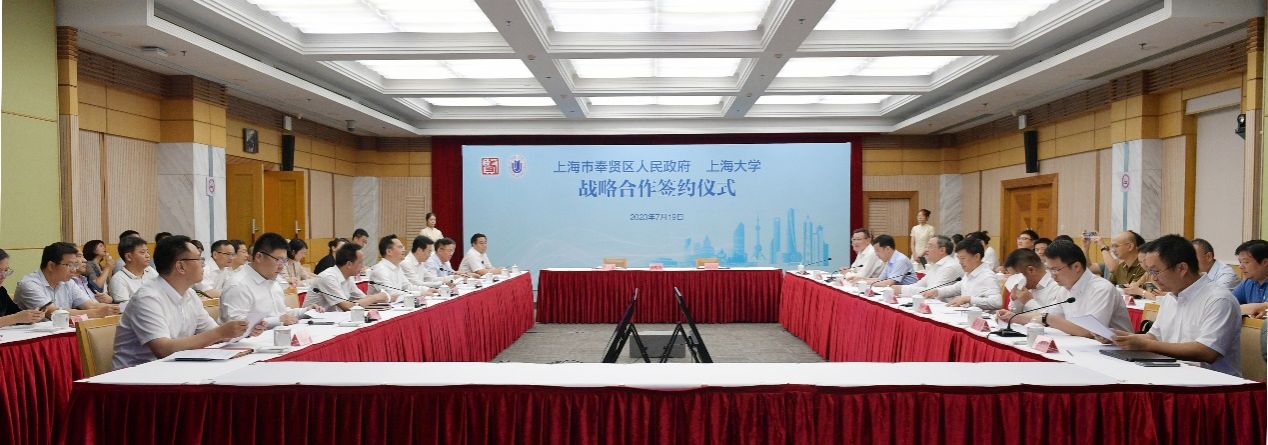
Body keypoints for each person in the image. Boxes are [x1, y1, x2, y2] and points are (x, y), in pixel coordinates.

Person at [111, 235, 262, 370]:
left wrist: (244, 329)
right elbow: (163, 349)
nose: (203, 264)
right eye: (199, 259)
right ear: (181, 266)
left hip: (174, 368)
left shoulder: (189, 293)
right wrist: (219, 333)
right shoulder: (148, 298)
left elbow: (213, 332)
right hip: (135, 377)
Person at [1111, 235, 1242, 376]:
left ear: (1181, 268)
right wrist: (1120, 338)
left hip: (1211, 382)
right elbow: (1154, 337)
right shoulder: (1170, 297)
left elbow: (1207, 351)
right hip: (1171, 372)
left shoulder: (1219, 299)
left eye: (1156, 271)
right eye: (1149, 272)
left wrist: (1147, 345)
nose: (1153, 278)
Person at [1003, 241, 1131, 337]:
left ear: (1076, 267)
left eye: (1055, 270)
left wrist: (1047, 318)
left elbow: (1091, 332)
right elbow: (1047, 314)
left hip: (1120, 354)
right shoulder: (1065, 289)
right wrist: (1014, 317)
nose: (1052, 275)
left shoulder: (1101, 289)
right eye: (1049, 269)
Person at [14, 242, 119, 319]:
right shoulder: (29, 285)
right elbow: (53, 313)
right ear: (51, 266)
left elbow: (91, 305)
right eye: (69, 265)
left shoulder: (69, 282)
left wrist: (118, 308)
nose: (74, 270)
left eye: (75, 265)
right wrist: (98, 313)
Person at [220, 233, 303, 328]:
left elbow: (282, 313)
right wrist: (278, 320)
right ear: (259, 257)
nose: (282, 266)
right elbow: (237, 325)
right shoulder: (237, 285)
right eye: (278, 260)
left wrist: (306, 311)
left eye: (284, 261)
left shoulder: (273, 280)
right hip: (249, 337)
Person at [310, 243, 390, 311]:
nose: (363, 266)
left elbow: (363, 299)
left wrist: (382, 298)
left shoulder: (348, 277)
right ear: (349, 264)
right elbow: (347, 307)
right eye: (360, 262)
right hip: (313, 321)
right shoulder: (328, 277)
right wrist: (375, 298)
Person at [926, 238, 1001, 310]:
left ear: (976, 257)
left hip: (980, 317)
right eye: (958, 258)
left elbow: (997, 302)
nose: (960, 262)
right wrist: (937, 291)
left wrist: (969, 299)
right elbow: (955, 288)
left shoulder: (987, 276)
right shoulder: (970, 273)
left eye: (963, 258)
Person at [993, 249, 1063, 317]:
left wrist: (1028, 301)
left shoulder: (1057, 286)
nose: (1014, 280)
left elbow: (1051, 319)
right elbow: (1015, 315)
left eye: (1015, 276)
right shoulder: (1025, 285)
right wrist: (1015, 299)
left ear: (1031, 270)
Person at [369, 234, 433, 302]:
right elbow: (392, 295)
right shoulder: (380, 270)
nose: (404, 250)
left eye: (403, 247)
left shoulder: (397, 267)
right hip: (382, 307)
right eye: (400, 247)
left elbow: (407, 286)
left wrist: (427, 289)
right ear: (389, 252)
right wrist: (420, 293)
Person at [894, 236, 963, 296]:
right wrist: (900, 288)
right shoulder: (935, 265)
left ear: (942, 250)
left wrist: (902, 289)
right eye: (926, 247)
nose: (926, 250)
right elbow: (919, 284)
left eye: (930, 246)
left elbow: (933, 292)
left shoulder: (950, 267)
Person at [0, 249, 46, 327]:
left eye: (5, 270)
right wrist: (15, 318)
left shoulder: (1, 291)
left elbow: (16, 314)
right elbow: (15, 317)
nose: (3, 276)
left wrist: (32, 316)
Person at [108, 236, 158, 303]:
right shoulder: (118, 280)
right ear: (128, 257)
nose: (148, 256)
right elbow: (124, 307)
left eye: (147, 252)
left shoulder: (150, 270)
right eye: (143, 252)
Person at [1231, 240, 1268, 317]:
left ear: (1265, 262)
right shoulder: (1248, 282)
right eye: (1240, 262)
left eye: (1246, 262)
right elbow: (1227, 304)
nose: (1240, 266)